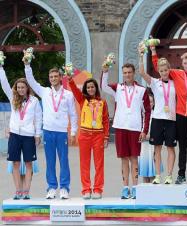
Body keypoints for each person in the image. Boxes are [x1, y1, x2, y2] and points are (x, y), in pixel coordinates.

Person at [150, 47, 187, 185]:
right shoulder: (176, 73)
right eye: (185, 63)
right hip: (180, 115)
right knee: (182, 147)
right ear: (182, 64)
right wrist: (153, 51)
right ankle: (181, 175)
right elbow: (159, 66)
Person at [25, 61, 78, 200]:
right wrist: (27, 65)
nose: (53, 78)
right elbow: (31, 81)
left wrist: (73, 132)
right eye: (51, 77)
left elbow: (73, 114)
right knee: (50, 161)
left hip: (61, 132)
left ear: (61, 77)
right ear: (49, 79)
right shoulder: (44, 92)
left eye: (56, 76)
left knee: (64, 161)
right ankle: (52, 188)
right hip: (48, 131)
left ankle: (65, 188)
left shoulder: (68, 95)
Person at [101, 63, 151, 199]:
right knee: (123, 158)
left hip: (135, 128)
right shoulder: (118, 88)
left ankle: (135, 188)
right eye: (125, 72)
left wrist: (144, 130)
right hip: (121, 127)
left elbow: (147, 111)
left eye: (129, 72)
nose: (127, 75)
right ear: (122, 74)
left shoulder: (141, 90)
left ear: (133, 73)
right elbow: (103, 87)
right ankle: (125, 188)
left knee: (134, 158)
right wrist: (105, 72)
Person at [0, 66, 42, 200]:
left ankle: (26, 192)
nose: (20, 89)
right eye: (18, 87)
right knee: (15, 163)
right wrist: (1, 67)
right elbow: (4, 82)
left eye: (23, 87)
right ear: (16, 88)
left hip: (29, 135)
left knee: (29, 164)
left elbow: (38, 118)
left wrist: (37, 134)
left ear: (27, 88)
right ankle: (18, 191)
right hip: (15, 135)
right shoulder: (13, 98)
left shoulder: (34, 101)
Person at [67, 76, 109, 200]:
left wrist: (106, 136)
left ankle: (97, 189)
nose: (90, 89)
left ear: (96, 88)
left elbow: (106, 120)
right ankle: (86, 189)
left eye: (92, 87)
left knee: (99, 164)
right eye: (88, 87)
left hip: (98, 135)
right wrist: (70, 80)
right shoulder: (82, 100)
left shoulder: (103, 102)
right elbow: (74, 90)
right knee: (84, 164)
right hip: (84, 135)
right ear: (86, 89)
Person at [139, 48, 176, 184]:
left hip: (171, 119)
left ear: (169, 70)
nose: (164, 72)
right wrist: (141, 55)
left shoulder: (174, 83)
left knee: (171, 147)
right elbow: (142, 73)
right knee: (157, 148)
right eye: (161, 71)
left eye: (166, 70)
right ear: (158, 71)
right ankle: (158, 175)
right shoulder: (154, 82)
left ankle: (169, 176)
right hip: (158, 119)